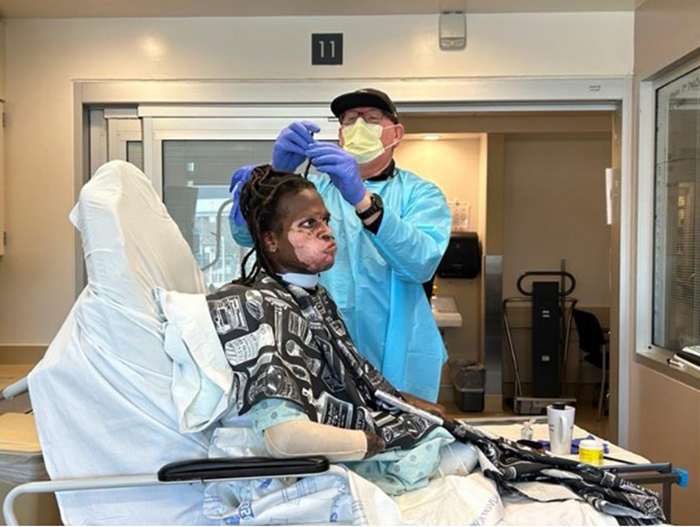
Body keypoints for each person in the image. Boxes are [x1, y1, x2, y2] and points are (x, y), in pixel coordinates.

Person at [205, 166, 664, 522]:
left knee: (502, 452)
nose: (327, 232)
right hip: (363, 450)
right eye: (309, 224)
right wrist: (380, 437)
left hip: (383, 419)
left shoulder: (314, 293)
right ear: (268, 238)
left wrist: (410, 406)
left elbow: (421, 264)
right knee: (520, 471)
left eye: (326, 220)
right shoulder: (251, 305)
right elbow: (285, 436)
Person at [229, 89, 452, 402]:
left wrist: (363, 200)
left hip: (398, 352)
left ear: (396, 133)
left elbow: (421, 263)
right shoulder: (311, 191)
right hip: (319, 344)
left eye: (372, 119)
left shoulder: (421, 194)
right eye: (350, 120)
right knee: (335, 437)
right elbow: (247, 237)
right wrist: (273, 181)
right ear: (340, 136)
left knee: (405, 434)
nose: (359, 126)